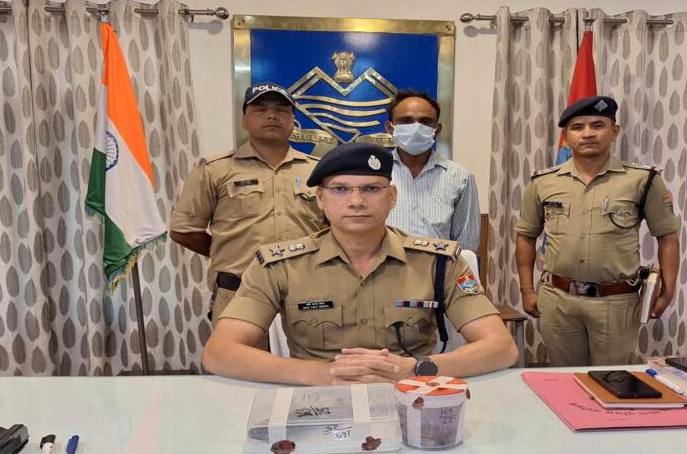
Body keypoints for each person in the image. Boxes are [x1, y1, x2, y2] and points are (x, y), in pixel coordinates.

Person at [202, 142, 518, 385]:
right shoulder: (278, 264)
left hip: (412, 395)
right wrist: (320, 374)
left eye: (371, 189)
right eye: (340, 189)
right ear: (320, 199)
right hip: (316, 398)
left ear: (391, 197)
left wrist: (416, 368)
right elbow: (220, 353)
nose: (356, 201)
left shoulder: (439, 261)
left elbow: (501, 347)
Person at [514, 96, 680, 367]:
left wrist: (668, 291)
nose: (588, 133)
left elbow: (667, 237)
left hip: (616, 302)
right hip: (558, 300)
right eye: (577, 127)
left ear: (614, 132)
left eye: (597, 125)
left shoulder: (643, 180)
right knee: (563, 379)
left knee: (612, 379)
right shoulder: (543, 182)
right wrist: (526, 289)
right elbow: (526, 236)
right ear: (566, 137)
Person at [170, 82, 325, 328]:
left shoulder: (319, 171)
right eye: (260, 109)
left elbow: (334, 228)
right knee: (237, 353)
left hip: (306, 292)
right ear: (245, 119)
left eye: (281, 109)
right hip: (239, 291)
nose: (272, 115)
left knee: (308, 354)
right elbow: (183, 230)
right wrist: (227, 253)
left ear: (293, 120)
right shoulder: (215, 169)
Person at [384, 90, 481, 252]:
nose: (416, 128)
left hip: (437, 267)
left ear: (437, 129)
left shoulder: (460, 177)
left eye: (425, 122)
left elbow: (466, 247)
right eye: (406, 121)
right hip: (384, 266)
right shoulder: (374, 175)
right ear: (390, 128)